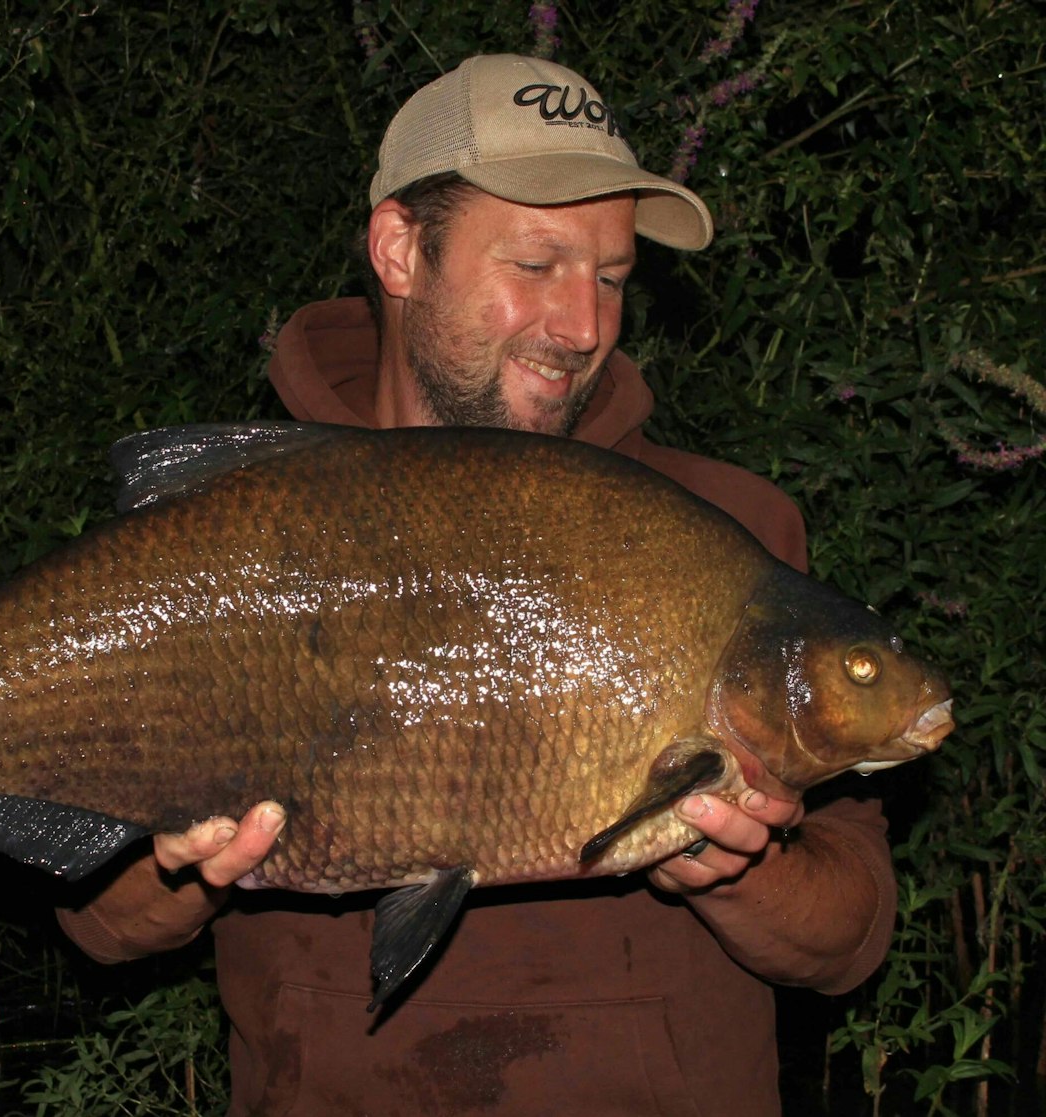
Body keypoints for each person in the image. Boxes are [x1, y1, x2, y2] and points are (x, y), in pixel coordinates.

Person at [59, 55, 896, 1115]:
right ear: (401, 248)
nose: (582, 325)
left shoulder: (730, 538)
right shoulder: (239, 534)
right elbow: (100, 924)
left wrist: (742, 871)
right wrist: (182, 861)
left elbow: (851, 935)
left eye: (610, 275)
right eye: (539, 263)